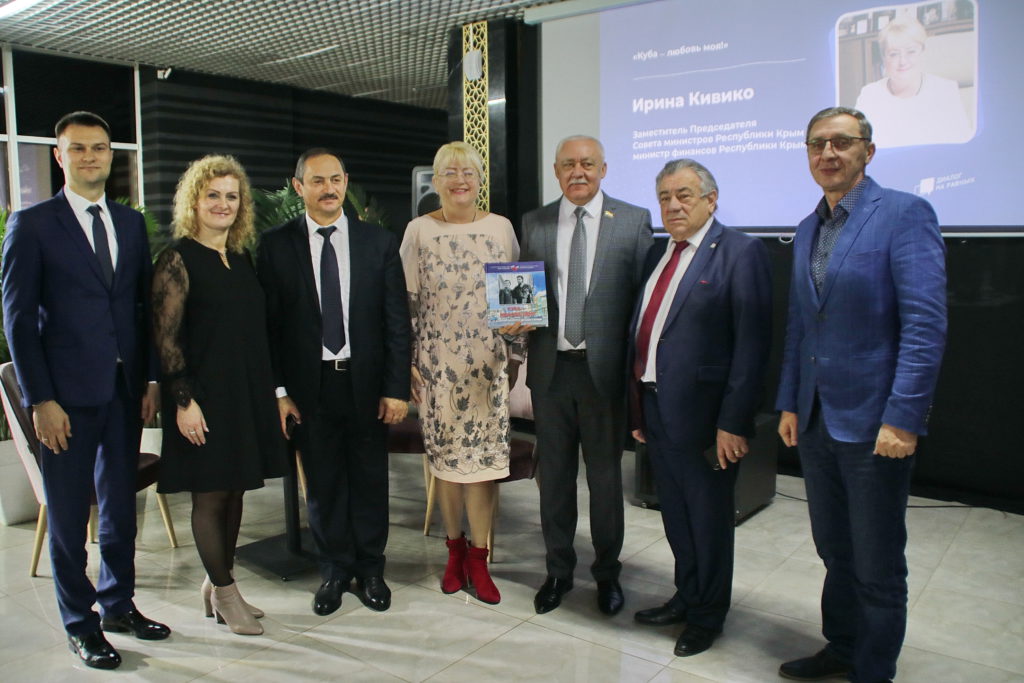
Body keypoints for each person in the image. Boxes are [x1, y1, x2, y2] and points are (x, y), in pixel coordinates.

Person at [776, 107, 947, 682]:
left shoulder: (904, 213)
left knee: (876, 562)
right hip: (817, 419)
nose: (828, 153)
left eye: (841, 142)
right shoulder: (808, 227)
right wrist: (791, 401)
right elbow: (801, 325)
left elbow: (924, 325)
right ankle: (843, 647)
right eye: (817, 144)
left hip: (876, 423)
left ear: (867, 151)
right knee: (834, 549)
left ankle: (873, 671)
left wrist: (904, 417)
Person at [1, 111, 168, 669]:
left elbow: (142, 308)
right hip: (65, 399)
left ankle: (118, 604)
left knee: (120, 507)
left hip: (124, 391)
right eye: (78, 148)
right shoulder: (32, 224)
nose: (90, 157)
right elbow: (19, 321)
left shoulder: (129, 223)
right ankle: (80, 623)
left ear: (111, 155)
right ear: (59, 155)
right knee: (70, 517)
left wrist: (149, 378)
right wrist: (41, 400)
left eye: (99, 147)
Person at [256, 148, 410, 616]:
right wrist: (279, 392)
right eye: (318, 181)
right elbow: (269, 328)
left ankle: (371, 569)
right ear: (298, 187)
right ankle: (334, 571)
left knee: (369, 479)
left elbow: (396, 323)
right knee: (322, 484)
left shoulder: (377, 242)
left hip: (366, 384)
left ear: (346, 181)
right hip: (309, 387)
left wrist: (396, 388)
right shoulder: (276, 245)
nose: (329, 189)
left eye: (336, 179)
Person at [629, 160, 771, 657]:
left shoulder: (741, 252)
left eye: (684, 195)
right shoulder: (657, 253)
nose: (673, 205)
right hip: (657, 409)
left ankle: (708, 616)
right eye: (664, 197)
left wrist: (734, 422)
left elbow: (752, 347)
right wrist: (638, 410)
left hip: (708, 421)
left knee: (708, 522)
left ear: (711, 199)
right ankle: (686, 597)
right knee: (675, 516)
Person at [151, 155, 286, 636]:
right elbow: (166, 340)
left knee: (234, 492)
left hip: (243, 396)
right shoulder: (176, 260)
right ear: (195, 201)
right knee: (210, 497)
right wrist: (184, 401)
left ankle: (218, 584)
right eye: (213, 195)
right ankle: (226, 595)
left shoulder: (241, 258)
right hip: (201, 400)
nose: (223, 204)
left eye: (231, 196)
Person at [520, 134, 653, 616]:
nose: (578, 172)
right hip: (551, 373)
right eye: (568, 165)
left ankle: (607, 574)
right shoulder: (534, 222)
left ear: (603, 169)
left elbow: (642, 305)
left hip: (604, 377)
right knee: (554, 480)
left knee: (605, 482)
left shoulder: (634, 221)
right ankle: (558, 571)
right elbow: (523, 293)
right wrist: (515, 318)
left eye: (588, 164)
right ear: (556, 171)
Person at [400, 141, 529, 605]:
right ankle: (454, 551)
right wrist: (407, 363)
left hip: (488, 370)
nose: (460, 180)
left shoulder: (500, 228)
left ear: (479, 179)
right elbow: (405, 305)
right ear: (435, 181)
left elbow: (517, 302)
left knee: (484, 469)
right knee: (448, 468)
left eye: (468, 172)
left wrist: (515, 355)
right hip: (437, 371)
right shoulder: (418, 231)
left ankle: (480, 557)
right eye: (450, 173)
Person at [853, 15, 972, 148]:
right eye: (894, 54)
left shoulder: (945, 90)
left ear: (923, 53)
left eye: (911, 52)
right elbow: (859, 147)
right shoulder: (869, 95)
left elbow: (962, 145)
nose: (903, 61)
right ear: (884, 58)